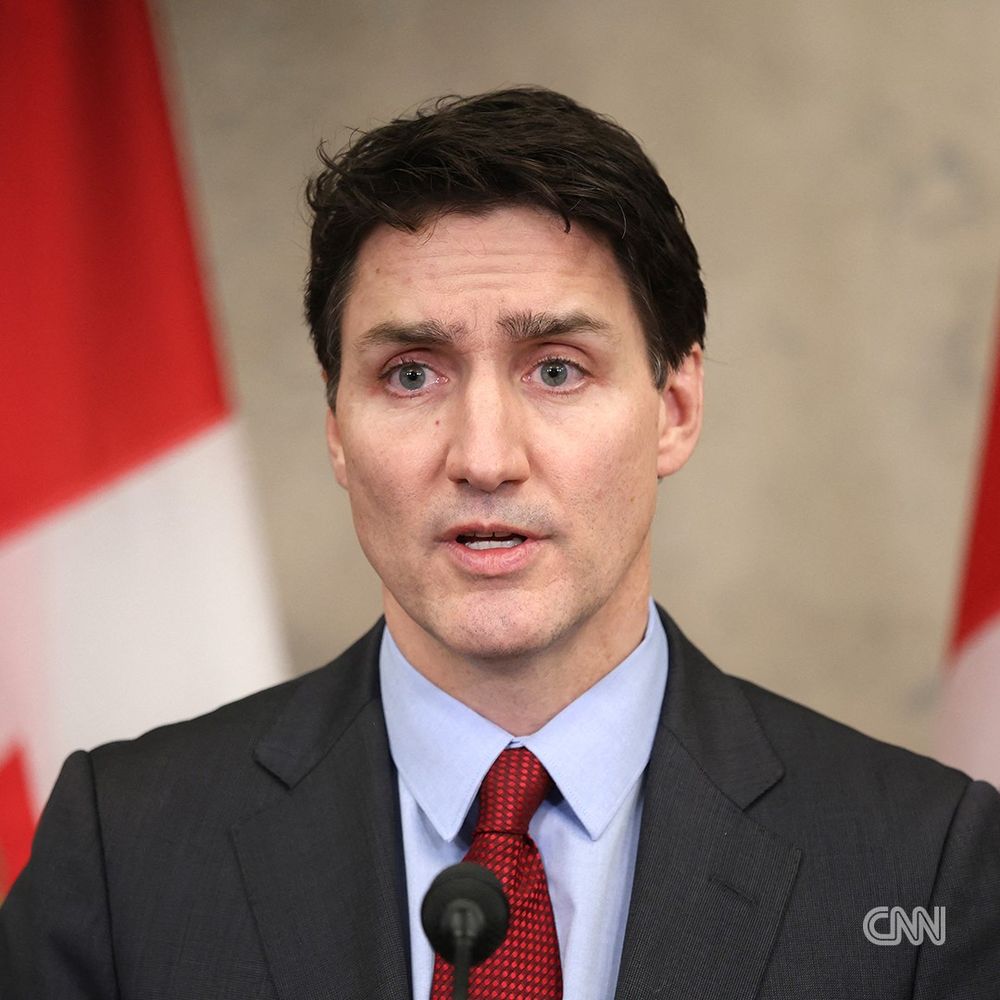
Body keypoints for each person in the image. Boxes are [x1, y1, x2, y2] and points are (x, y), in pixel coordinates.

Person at [1, 87, 998, 1000]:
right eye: (410, 375)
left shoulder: (921, 861)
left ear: (677, 406)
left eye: (556, 369)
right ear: (336, 430)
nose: (483, 457)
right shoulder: (124, 847)